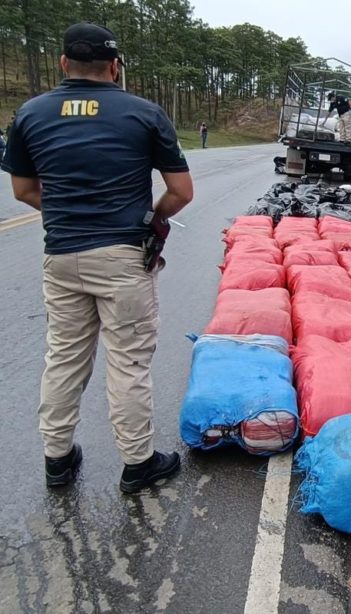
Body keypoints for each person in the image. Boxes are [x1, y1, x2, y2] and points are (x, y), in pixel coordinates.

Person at [1, 22, 193, 493]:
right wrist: (154, 217)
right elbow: (181, 192)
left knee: (64, 357)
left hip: (62, 253)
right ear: (114, 66)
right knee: (127, 361)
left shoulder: (30, 113)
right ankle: (137, 463)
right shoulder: (144, 113)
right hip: (122, 256)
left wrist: (67, 210)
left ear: (63, 63)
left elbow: (24, 189)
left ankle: (57, 459)